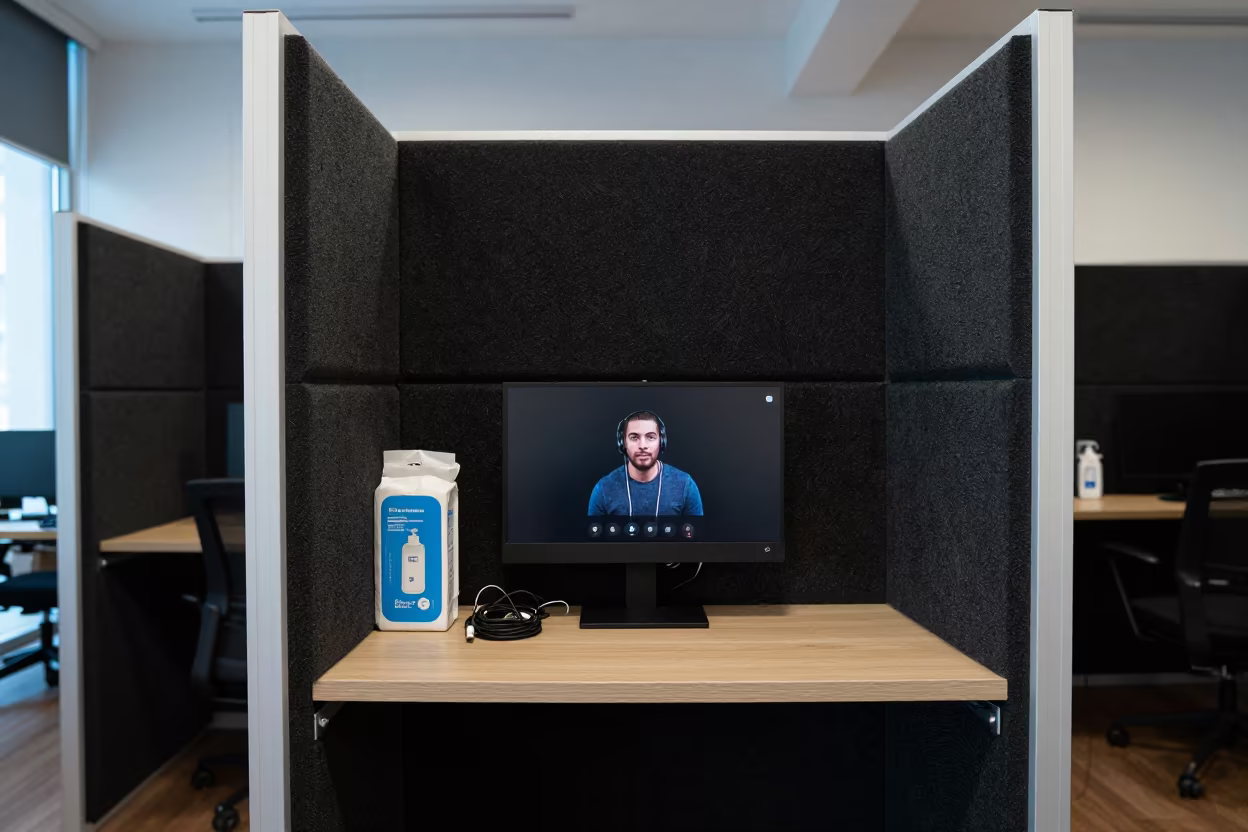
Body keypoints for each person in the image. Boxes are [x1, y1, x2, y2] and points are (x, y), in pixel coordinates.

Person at [588, 410, 703, 517]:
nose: (642, 445)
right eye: (634, 437)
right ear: (623, 443)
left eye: (650, 437)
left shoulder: (685, 485)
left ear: (661, 442)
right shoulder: (604, 488)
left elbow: (696, 537)